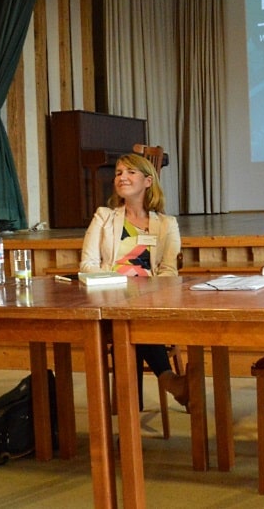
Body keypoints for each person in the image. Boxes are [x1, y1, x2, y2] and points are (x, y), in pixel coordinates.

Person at [80, 152, 188, 409]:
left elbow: (169, 271)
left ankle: (129, 425)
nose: (122, 177)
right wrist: (120, 286)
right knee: (126, 323)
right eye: (118, 173)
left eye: (130, 172)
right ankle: (170, 381)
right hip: (111, 299)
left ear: (148, 181)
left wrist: (146, 293)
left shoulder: (166, 224)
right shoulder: (104, 217)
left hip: (149, 304)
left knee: (129, 328)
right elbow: (87, 265)